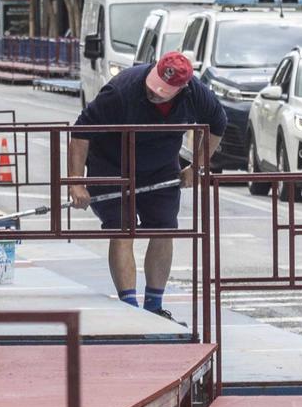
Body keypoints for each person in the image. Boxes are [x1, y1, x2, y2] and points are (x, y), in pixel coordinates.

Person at [68, 50, 224, 319]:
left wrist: (197, 167)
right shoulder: (121, 90)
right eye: (153, 86)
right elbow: (81, 133)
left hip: (160, 165)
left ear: (182, 88)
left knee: (164, 228)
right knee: (122, 227)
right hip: (111, 163)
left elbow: (218, 125)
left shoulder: (196, 94)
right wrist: (76, 182)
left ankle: (154, 307)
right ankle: (129, 306)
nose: (154, 93)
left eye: (162, 92)